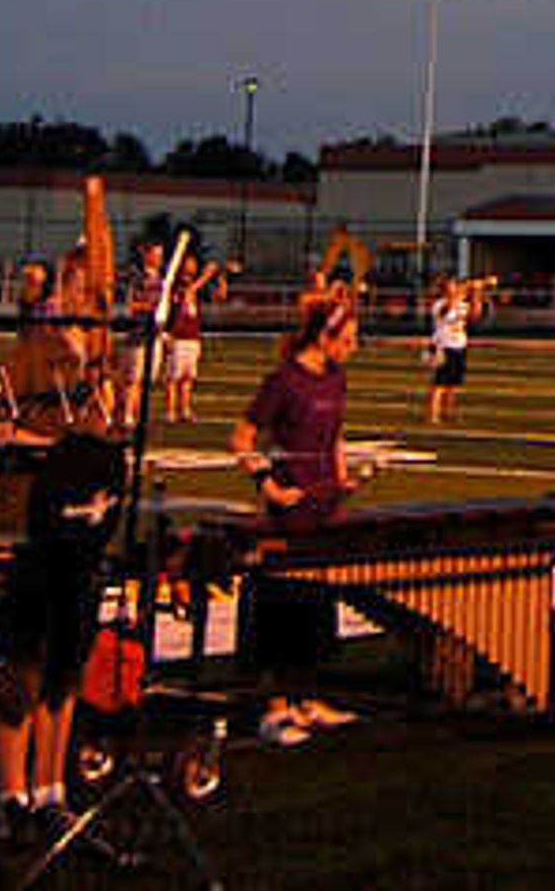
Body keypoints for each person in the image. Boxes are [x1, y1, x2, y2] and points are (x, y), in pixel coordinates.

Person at [0, 259, 120, 841]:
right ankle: (10, 793)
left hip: (84, 532)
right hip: (29, 524)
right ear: (61, 295)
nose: (92, 301)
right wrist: (52, 447)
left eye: (98, 293)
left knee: (67, 668)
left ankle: (51, 788)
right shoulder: (29, 353)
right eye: (81, 291)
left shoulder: (102, 365)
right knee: (22, 669)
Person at [232, 297, 363, 746]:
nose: (353, 348)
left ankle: (307, 697)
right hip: (289, 513)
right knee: (282, 607)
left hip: (326, 511)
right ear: (322, 337)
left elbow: (337, 435)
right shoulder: (284, 380)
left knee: (316, 607)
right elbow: (243, 438)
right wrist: (270, 488)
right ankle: (275, 709)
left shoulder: (337, 378)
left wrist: (343, 477)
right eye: (347, 340)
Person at [157, 253, 224, 426]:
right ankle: (170, 411)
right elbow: (188, 293)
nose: (192, 266)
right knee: (173, 377)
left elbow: (219, 296)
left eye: (194, 263)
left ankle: (185, 409)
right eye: (189, 263)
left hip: (193, 336)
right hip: (177, 335)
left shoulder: (195, 284)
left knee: (188, 377)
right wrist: (207, 275)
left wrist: (221, 278)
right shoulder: (176, 284)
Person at [423, 274, 490, 427]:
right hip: (443, 346)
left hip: (459, 345)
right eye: (452, 285)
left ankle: (449, 412)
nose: (455, 287)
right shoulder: (439, 304)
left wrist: (476, 294)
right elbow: (445, 312)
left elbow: (475, 315)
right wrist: (466, 289)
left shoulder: (462, 304)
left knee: (453, 384)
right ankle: (433, 414)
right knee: (439, 383)